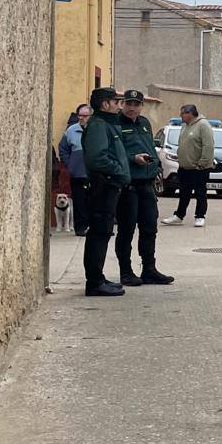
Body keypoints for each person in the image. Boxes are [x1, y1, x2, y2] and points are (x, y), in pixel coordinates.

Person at [114, 90, 174, 286]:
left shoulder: (145, 123)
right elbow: (116, 152)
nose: (132, 108)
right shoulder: (115, 124)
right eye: (129, 103)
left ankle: (149, 269)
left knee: (149, 228)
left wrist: (156, 164)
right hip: (128, 185)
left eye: (136, 104)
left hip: (147, 184)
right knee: (126, 230)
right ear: (123, 104)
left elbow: (150, 146)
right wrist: (133, 159)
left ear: (141, 106)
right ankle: (126, 271)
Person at [80, 87, 132, 296]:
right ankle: (94, 282)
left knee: (103, 232)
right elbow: (97, 158)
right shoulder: (99, 126)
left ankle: (98, 277)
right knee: (99, 233)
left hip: (110, 185)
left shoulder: (107, 125)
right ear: (105, 104)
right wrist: (119, 172)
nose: (120, 106)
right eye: (116, 102)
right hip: (103, 185)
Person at [163, 105, 214, 227]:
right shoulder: (185, 125)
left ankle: (200, 216)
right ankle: (179, 216)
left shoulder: (203, 125)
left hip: (199, 168)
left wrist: (202, 163)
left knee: (200, 192)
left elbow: (208, 146)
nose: (180, 116)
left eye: (182, 114)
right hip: (184, 167)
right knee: (184, 193)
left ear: (190, 113)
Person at [57, 104, 92, 237]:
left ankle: (93, 226)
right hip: (77, 173)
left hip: (93, 172)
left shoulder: (95, 130)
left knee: (94, 200)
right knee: (79, 201)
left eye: (85, 116)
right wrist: (69, 163)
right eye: (80, 116)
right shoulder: (71, 130)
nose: (82, 118)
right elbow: (63, 148)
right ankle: (80, 228)